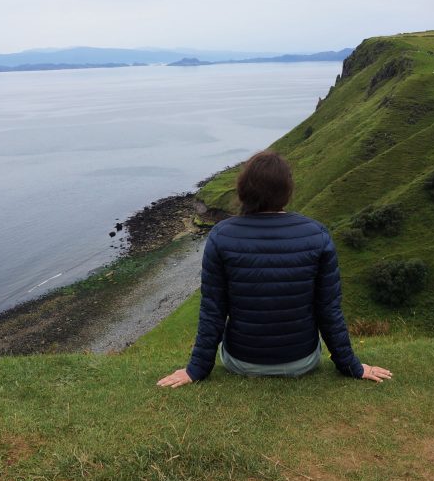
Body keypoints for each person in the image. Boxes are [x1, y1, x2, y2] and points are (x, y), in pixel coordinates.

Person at [158, 150, 392, 388]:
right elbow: (329, 310)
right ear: (286, 192)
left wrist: (195, 370)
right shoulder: (317, 234)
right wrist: (352, 366)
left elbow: (213, 310)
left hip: (241, 362)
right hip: (302, 361)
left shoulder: (222, 235)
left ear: (243, 190)